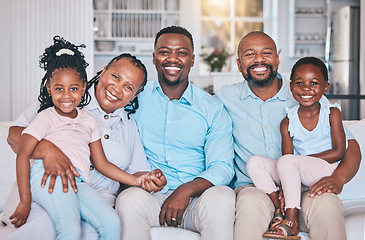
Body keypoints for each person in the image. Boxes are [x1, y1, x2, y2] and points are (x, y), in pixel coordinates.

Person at [1, 38, 166, 239]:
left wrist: (147, 179)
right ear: (103, 70)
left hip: (96, 198)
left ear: (134, 96)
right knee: (48, 224)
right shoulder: (67, 94)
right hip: (52, 184)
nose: (117, 88)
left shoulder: (128, 125)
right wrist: (47, 149)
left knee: (100, 229)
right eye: (115, 77)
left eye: (128, 87)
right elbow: (14, 136)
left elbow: (128, 168)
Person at [215, 31, 361, 240]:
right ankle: (277, 213)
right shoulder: (225, 98)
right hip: (256, 189)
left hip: (306, 188)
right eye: (250, 54)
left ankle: (291, 217)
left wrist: (338, 177)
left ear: (277, 59)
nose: (259, 59)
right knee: (249, 204)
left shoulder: (305, 96)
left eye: (266, 53)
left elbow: (351, 147)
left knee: (328, 204)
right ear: (239, 64)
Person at [116, 26, 236, 240]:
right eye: (164, 52)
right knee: (128, 199)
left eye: (181, 52)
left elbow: (223, 166)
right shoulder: (133, 99)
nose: (173, 59)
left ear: (192, 60)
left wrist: (185, 190)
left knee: (223, 196)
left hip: (196, 200)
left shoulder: (212, 108)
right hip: (149, 197)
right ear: (154, 58)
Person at [246, 57, 346, 239]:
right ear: (291, 87)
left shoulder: (331, 114)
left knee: (288, 163)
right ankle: (279, 208)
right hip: (297, 171)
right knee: (254, 163)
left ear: (325, 88)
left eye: (314, 83)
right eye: (299, 83)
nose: (306, 88)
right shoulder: (288, 121)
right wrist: (289, 179)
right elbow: (287, 159)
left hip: (325, 169)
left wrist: (303, 163)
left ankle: (291, 221)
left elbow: (339, 152)